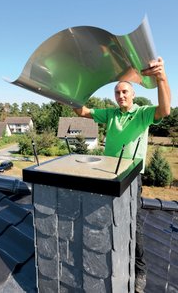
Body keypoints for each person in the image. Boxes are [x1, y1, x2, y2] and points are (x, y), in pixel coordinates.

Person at [73, 57, 171, 293]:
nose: (121, 96)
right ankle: (106, 256)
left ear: (133, 94)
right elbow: (83, 111)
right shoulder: (110, 114)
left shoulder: (143, 114)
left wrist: (161, 77)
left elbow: (165, 110)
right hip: (108, 174)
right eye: (117, 93)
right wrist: (72, 93)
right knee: (104, 217)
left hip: (131, 176)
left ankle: (140, 270)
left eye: (125, 92)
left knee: (134, 225)